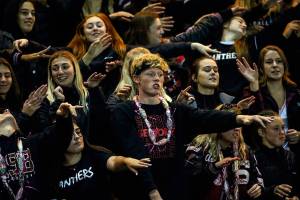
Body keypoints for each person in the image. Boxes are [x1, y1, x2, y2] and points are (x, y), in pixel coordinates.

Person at [110, 53, 272, 200]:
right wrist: (152, 191)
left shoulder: (174, 109)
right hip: (140, 188)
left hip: (174, 188)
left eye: (160, 74)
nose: (157, 79)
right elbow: (135, 151)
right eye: (150, 74)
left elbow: (205, 117)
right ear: (137, 78)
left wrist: (240, 118)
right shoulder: (124, 111)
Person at [53, 119, 152, 200]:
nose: (77, 136)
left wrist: (125, 161)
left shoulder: (94, 154)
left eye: (78, 131)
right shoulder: (53, 172)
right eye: (70, 135)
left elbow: (112, 161)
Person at [185, 104, 263, 200]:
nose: (237, 128)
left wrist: (258, 188)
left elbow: (257, 179)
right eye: (232, 124)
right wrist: (214, 167)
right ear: (218, 124)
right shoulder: (199, 146)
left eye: (239, 124)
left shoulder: (245, 150)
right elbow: (189, 183)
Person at [0, 102, 76, 199]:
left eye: (6, 111)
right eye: (1, 112)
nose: (6, 111)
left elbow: (60, 137)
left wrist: (63, 119)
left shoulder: (32, 142)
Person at [251, 110, 299, 200]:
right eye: (276, 129)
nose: (282, 132)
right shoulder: (253, 157)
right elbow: (251, 192)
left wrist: (296, 197)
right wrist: (271, 191)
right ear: (261, 132)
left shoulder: (290, 156)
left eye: (283, 128)